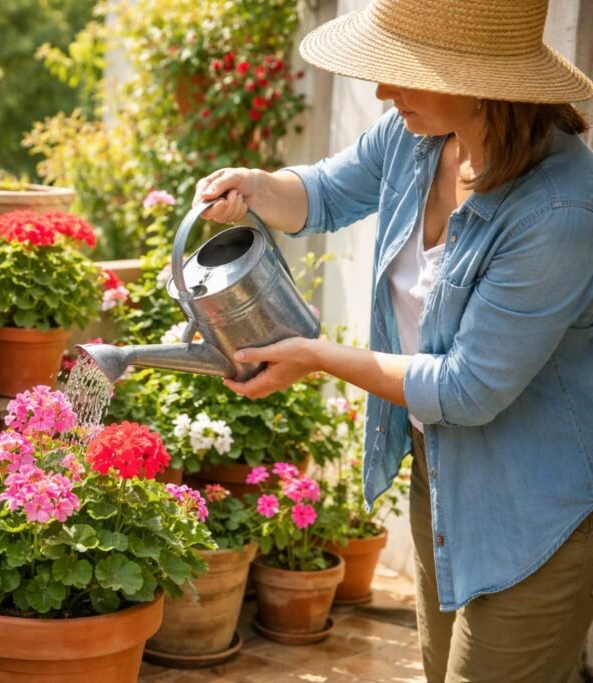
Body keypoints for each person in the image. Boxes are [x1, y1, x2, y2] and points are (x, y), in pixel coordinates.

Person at [196, 0, 593, 681]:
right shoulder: (417, 139)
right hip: (440, 476)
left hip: (534, 511)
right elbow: (321, 194)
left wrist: (316, 356)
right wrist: (256, 187)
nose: (382, 89)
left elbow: (467, 389)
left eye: (404, 71)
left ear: (479, 77)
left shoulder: (559, 210)